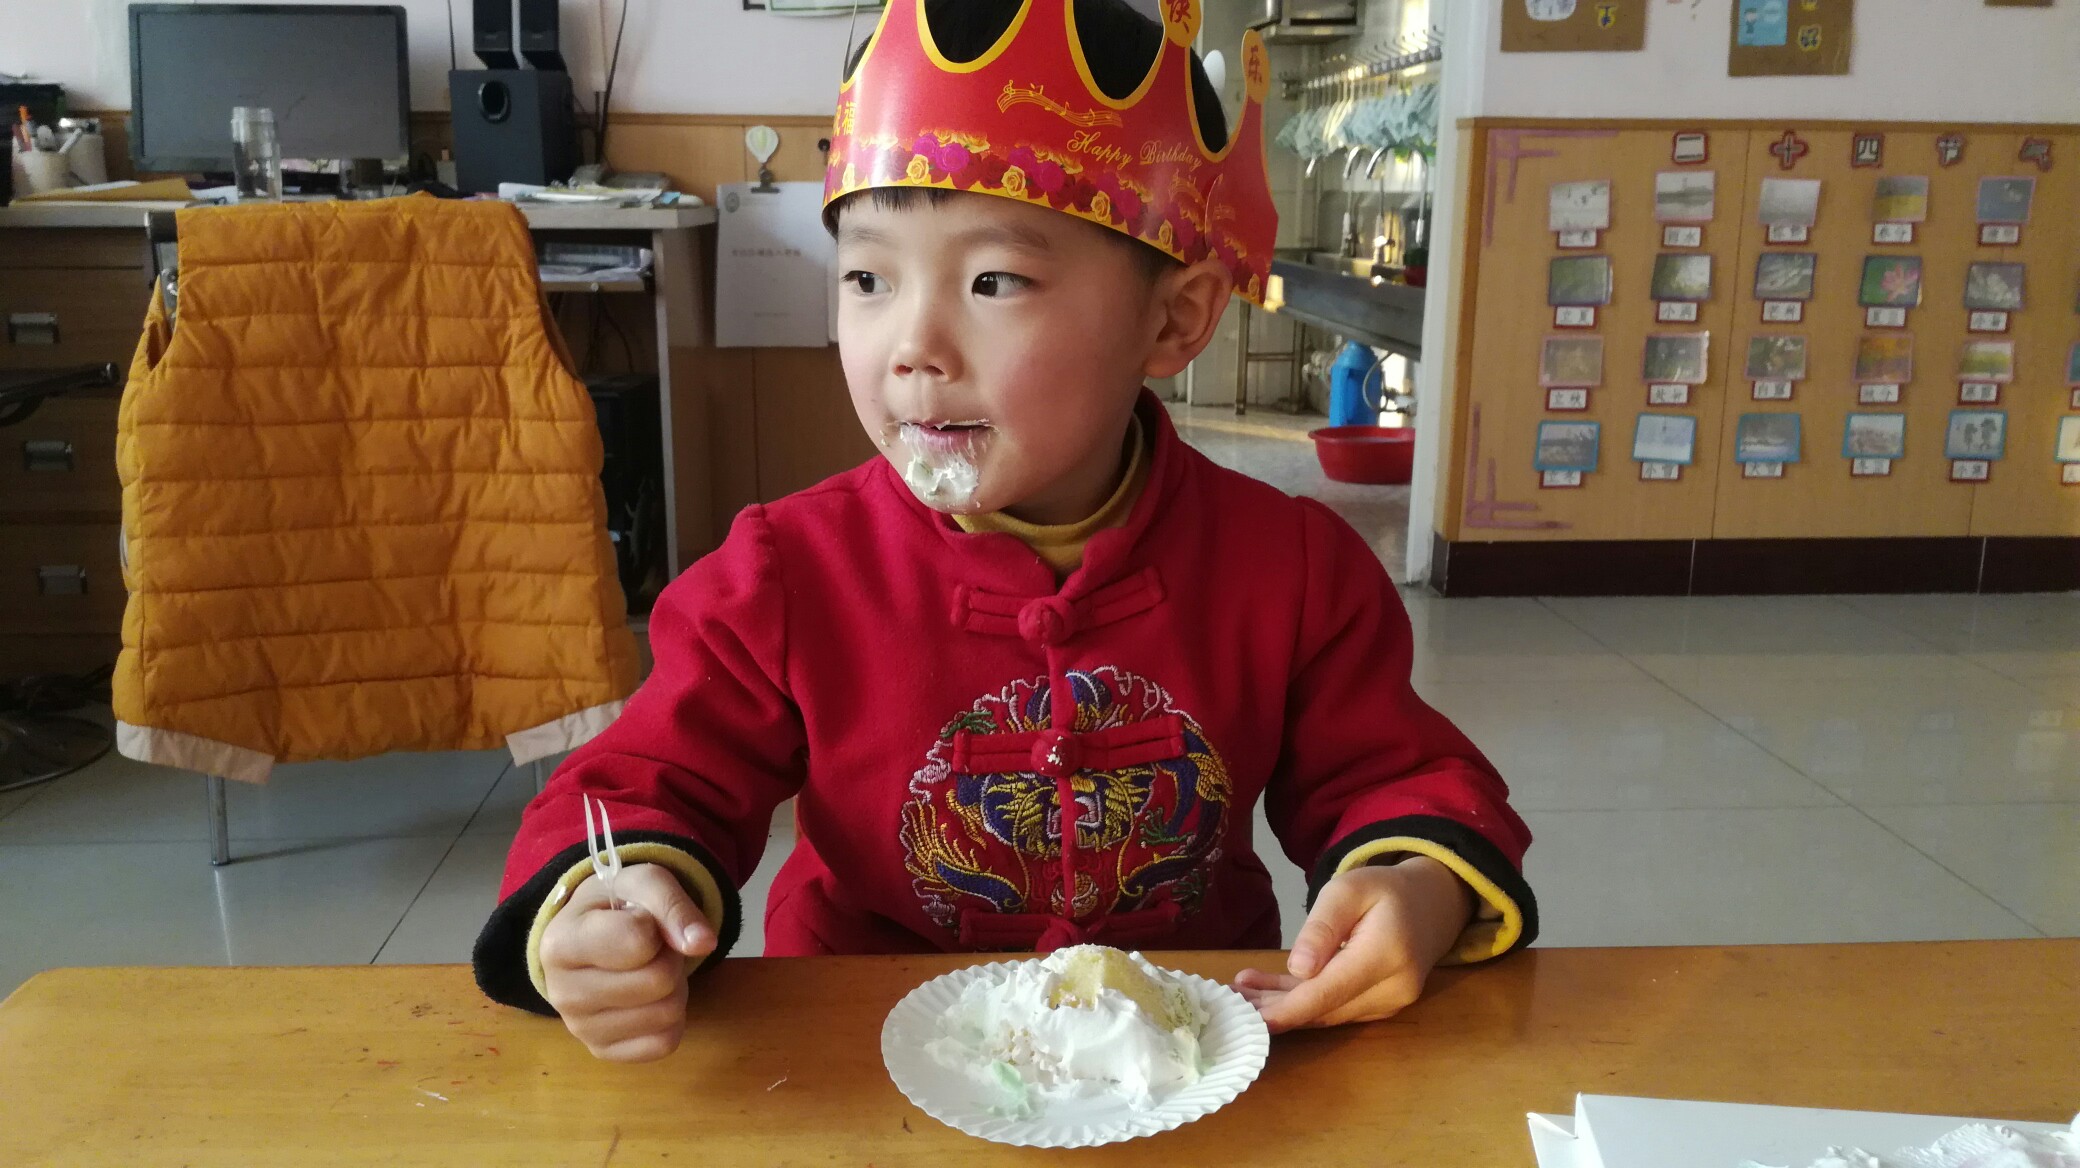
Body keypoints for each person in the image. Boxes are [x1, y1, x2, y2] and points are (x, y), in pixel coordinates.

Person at [474, 0, 1538, 1063]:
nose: (912, 346)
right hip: (865, 1050)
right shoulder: (783, 573)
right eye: (867, 279)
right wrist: (610, 902)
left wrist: (1416, 882)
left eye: (994, 282)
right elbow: (646, 781)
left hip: (1187, 1049)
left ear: (1174, 319)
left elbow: (1392, 777)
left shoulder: (1292, 569)